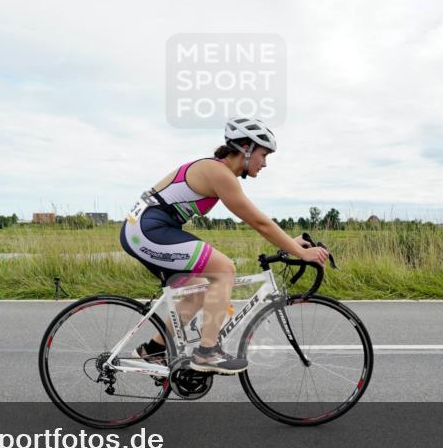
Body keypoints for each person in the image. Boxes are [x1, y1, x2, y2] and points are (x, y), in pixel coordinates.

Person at [119, 118, 329, 374]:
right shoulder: (218, 172)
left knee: (199, 290)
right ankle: (207, 353)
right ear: (246, 149)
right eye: (263, 155)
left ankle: (152, 350)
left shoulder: (218, 172)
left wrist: (290, 243)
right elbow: (259, 222)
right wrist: (301, 252)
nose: (265, 163)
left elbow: (255, 221)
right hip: (146, 230)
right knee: (223, 270)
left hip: (149, 228)